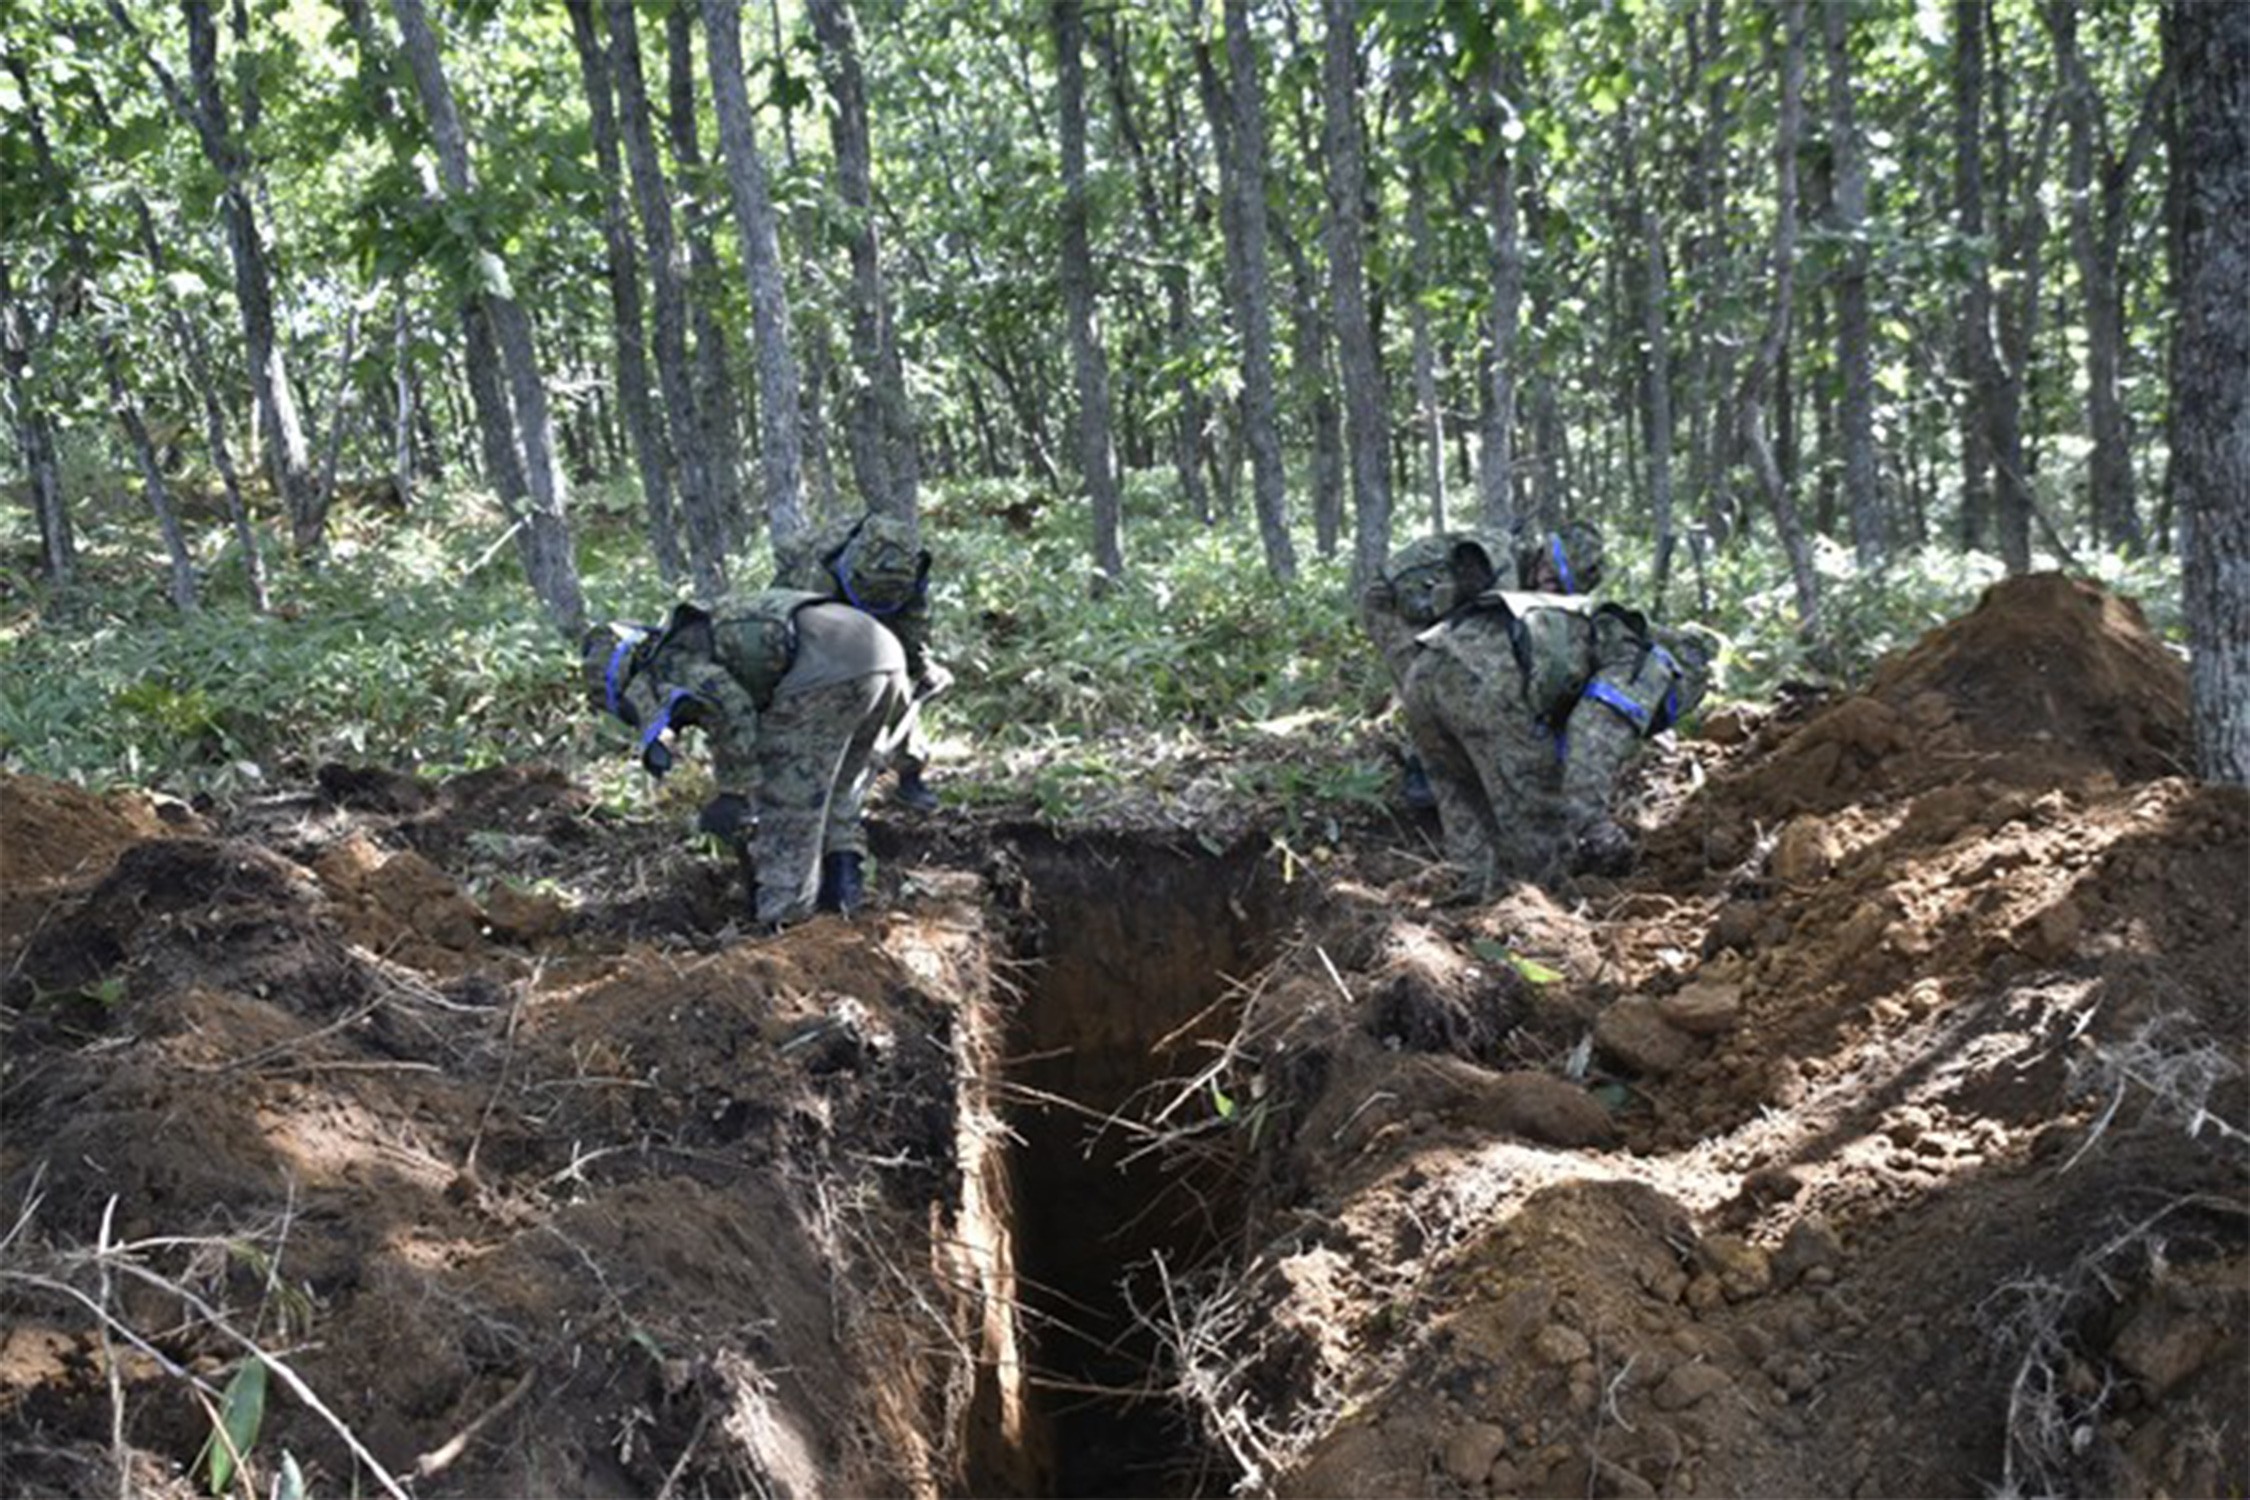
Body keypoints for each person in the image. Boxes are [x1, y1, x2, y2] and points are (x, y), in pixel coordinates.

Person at [585, 588, 912, 926]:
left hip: (825, 671)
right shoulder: (695, 635)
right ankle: (842, 897)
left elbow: (731, 706)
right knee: (839, 789)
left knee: (788, 803)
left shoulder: (671, 663)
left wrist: (733, 793)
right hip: (882, 654)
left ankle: (784, 922)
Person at [1398, 584, 1712, 894]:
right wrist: (1595, 827)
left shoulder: (1598, 627)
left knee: (1464, 803)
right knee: (1542, 829)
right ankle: (1545, 924)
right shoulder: (1652, 665)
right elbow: (1590, 737)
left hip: (1424, 668)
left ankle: (1473, 908)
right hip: (1489, 679)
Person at [1361, 522, 1607, 809]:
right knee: (1423, 679)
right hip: (1392, 602)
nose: (1550, 590)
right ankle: (1421, 774)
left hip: (1435, 606)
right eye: (1551, 579)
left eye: (1560, 589)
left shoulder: (1522, 576)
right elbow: (1474, 641)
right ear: (1544, 558)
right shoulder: (1500, 566)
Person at [771, 511, 950, 812]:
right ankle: (807, 777)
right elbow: (793, 637)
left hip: (875, 608)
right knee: (819, 690)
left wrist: (921, 666)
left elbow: (913, 626)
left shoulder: (911, 568)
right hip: (816, 615)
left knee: (899, 679)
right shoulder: (813, 573)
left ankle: (908, 771)